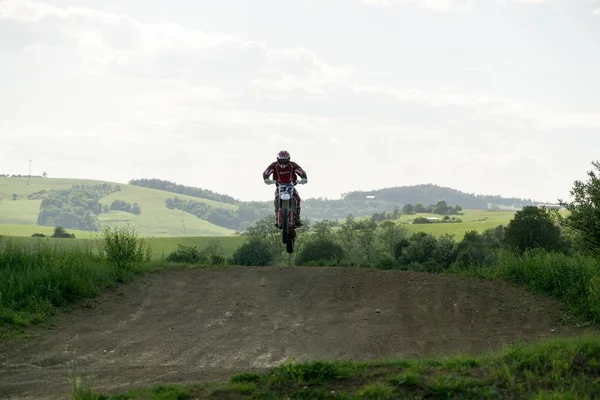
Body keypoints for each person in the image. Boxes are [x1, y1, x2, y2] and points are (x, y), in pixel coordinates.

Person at [263, 150, 307, 227]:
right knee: (276, 199)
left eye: (284, 160)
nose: (283, 162)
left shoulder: (293, 165)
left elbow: (300, 171)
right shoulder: (274, 165)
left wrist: (303, 178)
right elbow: (266, 172)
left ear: (288, 159)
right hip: (279, 186)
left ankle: (297, 217)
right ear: (278, 159)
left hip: (291, 185)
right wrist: (266, 178)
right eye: (281, 160)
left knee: (297, 198)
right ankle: (277, 216)